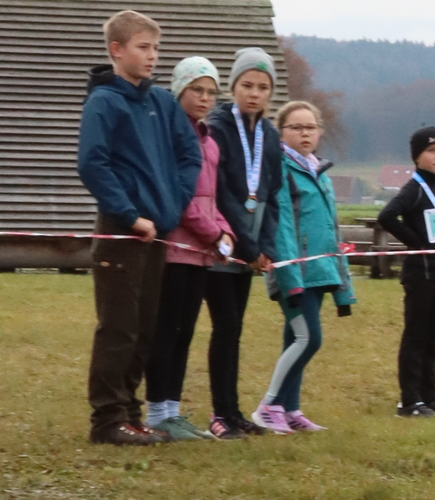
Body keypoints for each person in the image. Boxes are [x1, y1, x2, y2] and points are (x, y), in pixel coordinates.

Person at [77, 9, 200, 450]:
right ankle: (107, 420)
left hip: (157, 232)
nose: (153, 56)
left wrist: (171, 206)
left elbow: (189, 155)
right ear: (117, 50)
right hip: (121, 231)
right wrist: (130, 215)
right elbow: (93, 164)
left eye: (156, 48)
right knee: (119, 328)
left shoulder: (162, 103)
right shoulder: (103, 103)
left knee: (146, 327)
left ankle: (130, 415)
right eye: (143, 47)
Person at [143, 59, 241, 440]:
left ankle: (173, 411)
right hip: (174, 249)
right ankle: (156, 412)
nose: (204, 98)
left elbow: (212, 199)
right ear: (179, 90)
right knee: (166, 330)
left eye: (211, 92)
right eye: (196, 90)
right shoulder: (169, 136)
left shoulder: (210, 142)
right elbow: (179, 199)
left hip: (201, 253)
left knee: (185, 331)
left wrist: (225, 232)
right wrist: (213, 235)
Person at [255, 99, 354, 432]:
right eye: (296, 127)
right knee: (308, 339)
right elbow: (281, 225)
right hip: (293, 274)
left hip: (321, 272)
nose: (304, 133)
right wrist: (289, 275)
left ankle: (289, 408)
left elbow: (332, 229)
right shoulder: (280, 170)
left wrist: (343, 284)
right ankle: (268, 406)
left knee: (295, 339)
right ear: (281, 132)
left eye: (310, 127)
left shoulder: (321, 174)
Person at [207, 47, 284, 435]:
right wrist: (247, 246)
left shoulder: (270, 135)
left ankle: (233, 411)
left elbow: (272, 194)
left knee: (235, 328)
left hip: (252, 250)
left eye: (263, 87)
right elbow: (219, 193)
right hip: (222, 245)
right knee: (225, 327)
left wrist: (266, 246)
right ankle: (220, 414)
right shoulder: (218, 127)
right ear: (233, 86)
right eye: (247, 85)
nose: (254, 94)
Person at [375, 125, 435, 416]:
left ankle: (429, 397)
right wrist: (416, 243)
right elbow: (387, 216)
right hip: (420, 273)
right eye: (431, 151)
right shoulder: (413, 189)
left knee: (432, 336)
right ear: (416, 157)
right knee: (416, 337)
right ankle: (409, 400)